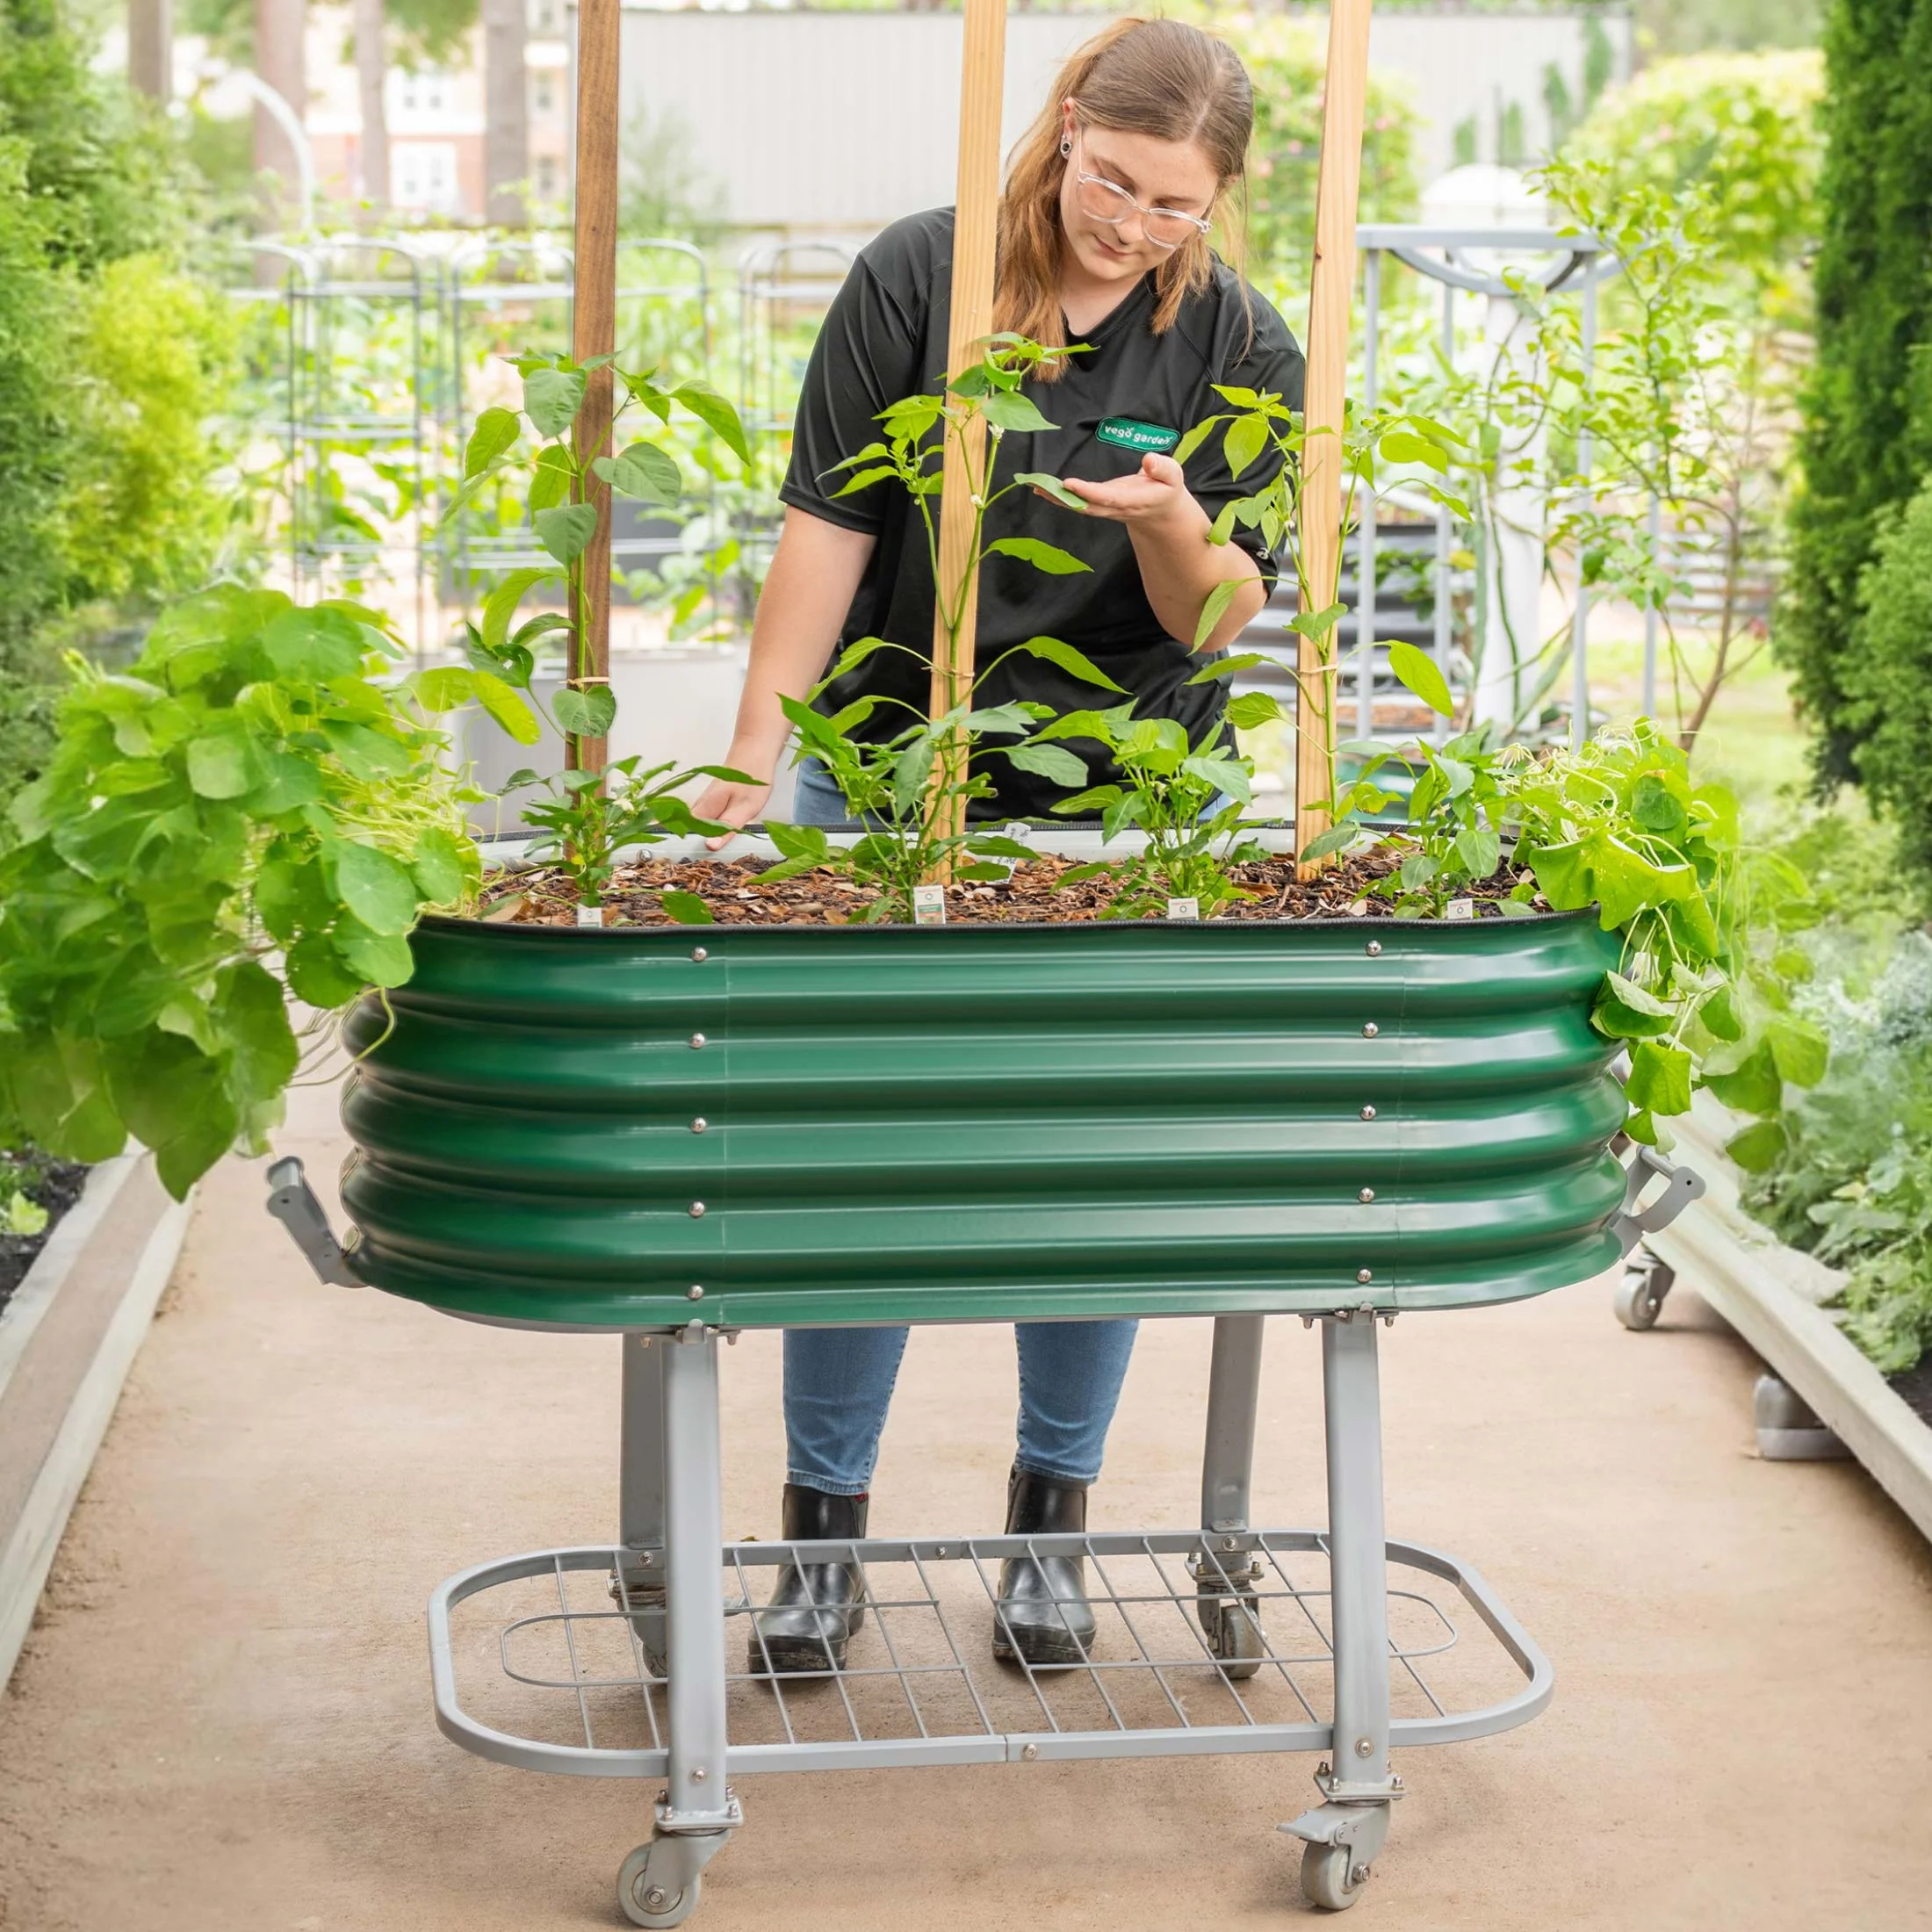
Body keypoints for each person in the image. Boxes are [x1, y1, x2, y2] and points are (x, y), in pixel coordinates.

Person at [693, 16, 1306, 1675]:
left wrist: (1176, 518)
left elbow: (1222, 618)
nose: (1132, 224)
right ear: (1064, 129)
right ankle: (822, 1544)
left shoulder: (1242, 339)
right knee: (863, 1165)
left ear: (1217, 201)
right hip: (896, 772)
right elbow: (829, 525)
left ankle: (1055, 1531)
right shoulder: (922, 280)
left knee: (1082, 1163)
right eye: (1115, 181)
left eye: (1176, 205)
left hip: (1118, 790)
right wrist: (762, 756)